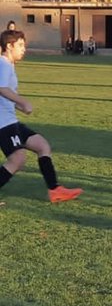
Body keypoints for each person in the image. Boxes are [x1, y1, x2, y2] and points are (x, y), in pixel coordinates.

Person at [0, 29, 83, 204]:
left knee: (42, 145)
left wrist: (17, 105)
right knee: (17, 160)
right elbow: (1, 89)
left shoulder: (8, 65)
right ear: (9, 46)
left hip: (10, 120)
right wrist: (22, 102)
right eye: (20, 45)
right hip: (3, 123)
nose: (24, 49)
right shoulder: (3, 64)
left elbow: (5, 94)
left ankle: (55, 190)